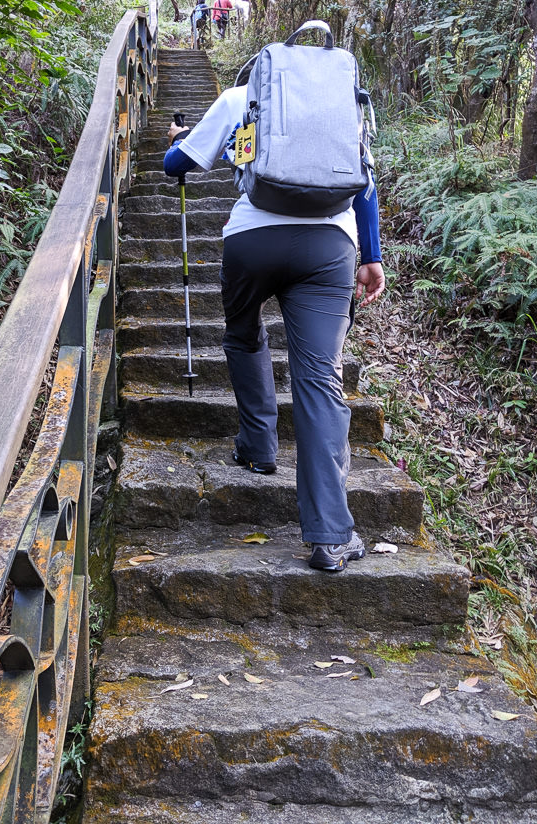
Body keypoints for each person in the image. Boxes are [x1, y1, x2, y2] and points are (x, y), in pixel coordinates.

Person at [164, 61, 385, 572]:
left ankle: (259, 445)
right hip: (330, 246)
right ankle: (330, 536)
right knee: (319, 379)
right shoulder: (343, 104)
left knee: (243, 334)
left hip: (250, 240)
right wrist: (371, 257)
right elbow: (365, 182)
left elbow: (176, 166)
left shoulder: (240, 97)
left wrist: (182, 138)